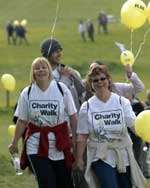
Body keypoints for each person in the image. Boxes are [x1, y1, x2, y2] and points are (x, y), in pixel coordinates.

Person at [9, 57, 77, 188]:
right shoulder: (27, 93)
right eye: (37, 68)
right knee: (47, 183)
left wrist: (74, 139)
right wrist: (14, 142)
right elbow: (22, 121)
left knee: (65, 183)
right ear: (33, 72)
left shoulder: (61, 89)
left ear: (49, 70)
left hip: (60, 143)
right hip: (36, 145)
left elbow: (73, 116)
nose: (41, 70)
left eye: (44, 67)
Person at [75, 66, 146, 188]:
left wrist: (145, 134)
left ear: (108, 80)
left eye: (102, 79)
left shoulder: (121, 102)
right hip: (100, 155)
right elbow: (82, 135)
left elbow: (134, 126)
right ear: (91, 84)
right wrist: (79, 158)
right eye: (95, 80)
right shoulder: (86, 107)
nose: (99, 82)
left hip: (123, 154)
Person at [40, 38, 85, 112]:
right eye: (55, 51)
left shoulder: (70, 71)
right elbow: (55, 96)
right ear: (46, 54)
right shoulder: (41, 76)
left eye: (60, 51)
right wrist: (64, 78)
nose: (59, 54)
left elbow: (81, 93)